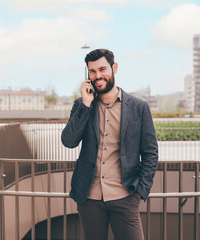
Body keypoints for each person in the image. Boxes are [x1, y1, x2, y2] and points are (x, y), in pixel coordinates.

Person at [61, 49, 158, 240]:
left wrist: (140, 192)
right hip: (90, 199)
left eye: (102, 69)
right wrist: (86, 105)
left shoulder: (139, 107)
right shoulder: (82, 105)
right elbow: (68, 141)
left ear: (114, 68)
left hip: (125, 196)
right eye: (92, 71)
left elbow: (150, 153)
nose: (98, 76)